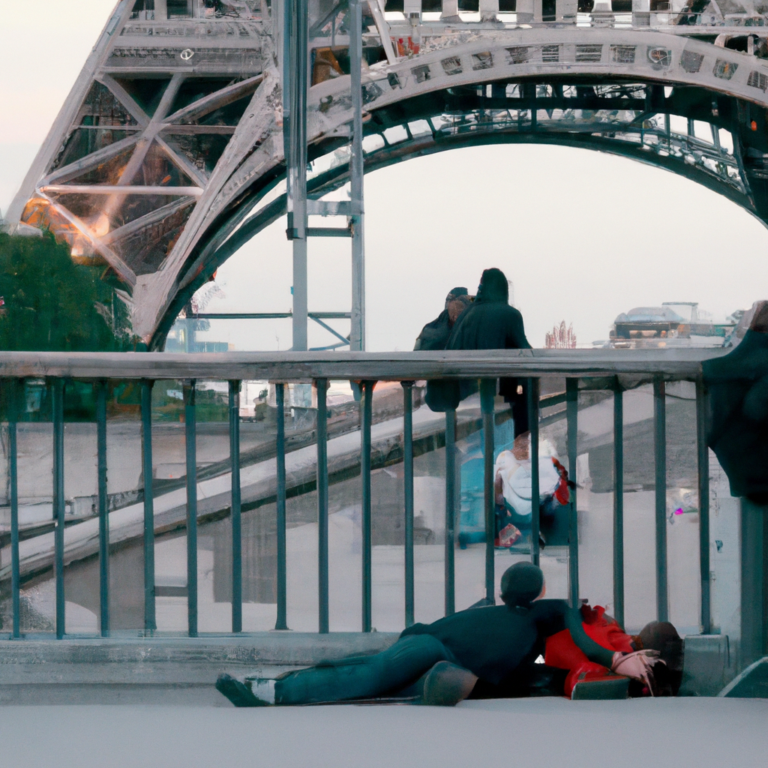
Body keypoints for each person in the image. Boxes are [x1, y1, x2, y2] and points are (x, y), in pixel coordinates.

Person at [215, 562, 660, 707]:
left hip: (433, 642)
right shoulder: (550, 611)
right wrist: (617, 660)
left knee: (364, 675)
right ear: (539, 590)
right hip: (440, 649)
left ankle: (270, 687)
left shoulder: (489, 611)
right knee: (367, 680)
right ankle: (270, 691)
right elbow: (582, 644)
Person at [425, 268, 531, 435]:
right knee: (502, 441)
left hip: (464, 396)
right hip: (495, 395)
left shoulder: (468, 314)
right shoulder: (510, 315)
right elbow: (527, 355)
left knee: (486, 442)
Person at [414, 287, 472, 351]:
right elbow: (416, 356)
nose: (457, 311)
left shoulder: (472, 329)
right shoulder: (429, 329)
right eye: (455, 307)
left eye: (461, 307)